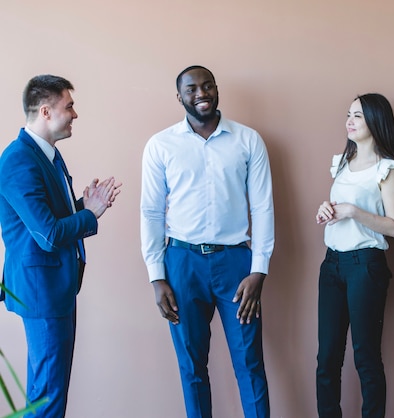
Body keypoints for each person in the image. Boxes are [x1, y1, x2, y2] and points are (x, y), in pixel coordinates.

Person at [140, 65, 274, 418]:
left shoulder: (248, 140)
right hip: (182, 263)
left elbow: (262, 207)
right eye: (191, 88)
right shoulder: (160, 145)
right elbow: (151, 212)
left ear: (216, 90)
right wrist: (157, 276)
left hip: (236, 265)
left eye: (207, 86)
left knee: (250, 364)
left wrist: (259, 269)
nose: (201, 93)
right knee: (192, 367)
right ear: (180, 96)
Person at [0, 74, 121, 417]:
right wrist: (92, 214)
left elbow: (50, 218)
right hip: (42, 295)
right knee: (48, 395)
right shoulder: (18, 160)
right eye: (69, 106)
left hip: (57, 290)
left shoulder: (49, 155)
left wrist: (83, 204)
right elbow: (49, 235)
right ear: (46, 112)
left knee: (47, 390)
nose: (75, 114)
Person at [315, 93, 394, 418]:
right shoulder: (341, 161)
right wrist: (327, 210)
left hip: (365, 266)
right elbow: (339, 210)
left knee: (366, 356)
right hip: (332, 265)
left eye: (358, 115)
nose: (349, 121)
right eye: (348, 115)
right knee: (327, 357)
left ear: (375, 121)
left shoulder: (387, 169)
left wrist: (354, 211)